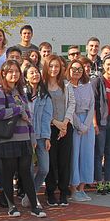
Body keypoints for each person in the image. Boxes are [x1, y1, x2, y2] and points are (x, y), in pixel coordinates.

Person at [0, 60, 46, 218]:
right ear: (3, 73)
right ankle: (11, 206)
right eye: (10, 71)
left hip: (24, 138)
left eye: (16, 71)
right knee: (9, 173)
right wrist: (18, 110)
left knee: (26, 173)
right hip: (8, 138)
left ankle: (33, 206)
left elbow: (28, 116)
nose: (14, 74)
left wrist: (32, 135)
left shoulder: (20, 91)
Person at [42, 55, 75, 206]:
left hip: (65, 129)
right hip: (49, 129)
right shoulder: (42, 86)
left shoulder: (66, 85)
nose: (54, 69)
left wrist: (65, 123)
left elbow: (72, 104)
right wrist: (56, 123)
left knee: (64, 162)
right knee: (51, 162)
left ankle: (63, 192)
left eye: (57, 66)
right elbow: (41, 109)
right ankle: (50, 193)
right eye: (51, 66)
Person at [23, 63, 53, 207]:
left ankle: (31, 194)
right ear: (26, 77)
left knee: (44, 168)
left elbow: (47, 117)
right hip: (26, 135)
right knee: (27, 169)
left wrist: (47, 137)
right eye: (31, 73)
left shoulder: (44, 95)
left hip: (41, 135)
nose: (35, 75)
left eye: (37, 72)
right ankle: (32, 197)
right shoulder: (21, 93)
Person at [92, 54, 110, 195]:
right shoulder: (97, 81)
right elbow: (93, 105)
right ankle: (98, 181)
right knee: (99, 153)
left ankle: (108, 181)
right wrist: (95, 123)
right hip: (101, 122)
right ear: (103, 65)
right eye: (108, 64)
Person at [67, 59, 95, 201]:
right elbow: (69, 108)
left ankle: (82, 188)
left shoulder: (88, 86)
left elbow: (92, 106)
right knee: (74, 156)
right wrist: (79, 125)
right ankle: (73, 188)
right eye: (74, 69)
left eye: (79, 69)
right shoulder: (66, 87)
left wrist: (87, 125)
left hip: (87, 124)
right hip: (74, 124)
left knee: (87, 155)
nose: (77, 72)